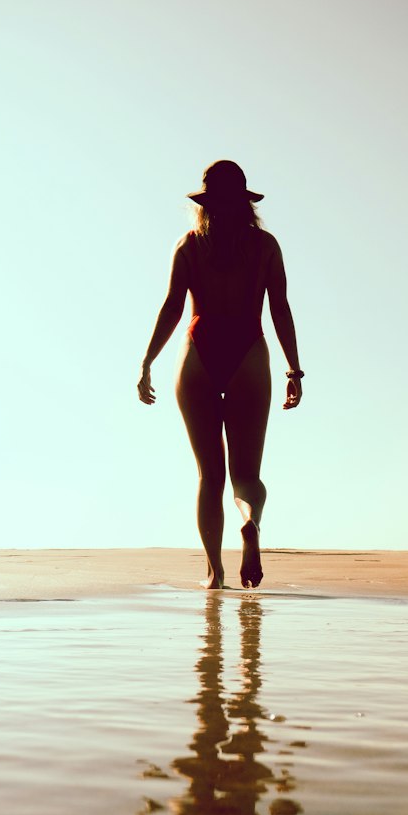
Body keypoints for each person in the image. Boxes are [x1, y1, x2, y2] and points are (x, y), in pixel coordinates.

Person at [137, 160, 303, 590]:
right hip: (248, 352)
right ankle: (250, 523)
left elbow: (173, 306)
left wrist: (147, 362)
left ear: (205, 203)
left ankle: (215, 573)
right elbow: (280, 307)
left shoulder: (190, 245)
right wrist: (293, 368)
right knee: (246, 475)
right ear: (246, 203)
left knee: (209, 476)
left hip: (199, 354)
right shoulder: (265, 245)